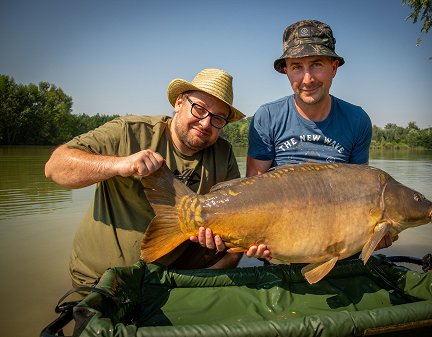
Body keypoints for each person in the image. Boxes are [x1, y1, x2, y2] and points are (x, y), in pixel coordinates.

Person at [45, 68, 267, 288]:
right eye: (199, 109)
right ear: (179, 102)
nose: (206, 123)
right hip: (101, 279)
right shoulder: (129, 132)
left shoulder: (222, 152)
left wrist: (247, 242)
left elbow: (235, 219)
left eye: (218, 118)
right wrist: (119, 164)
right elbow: (55, 167)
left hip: (172, 280)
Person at [247, 20, 395, 249]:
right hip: (280, 239)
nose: (308, 79)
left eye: (316, 64)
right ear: (286, 70)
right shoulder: (267, 117)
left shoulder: (357, 121)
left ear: (333, 68)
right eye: (297, 66)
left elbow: (362, 192)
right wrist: (254, 236)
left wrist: (370, 234)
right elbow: (252, 194)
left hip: (335, 243)